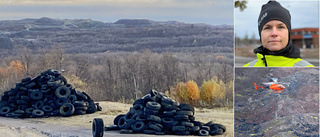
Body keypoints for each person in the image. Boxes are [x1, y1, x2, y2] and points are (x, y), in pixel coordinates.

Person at [243, 1, 314, 67]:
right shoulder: (245, 71)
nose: (274, 33)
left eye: (280, 27)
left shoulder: (311, 71)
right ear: (260, 34)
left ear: (288, 33)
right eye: (267, 28)